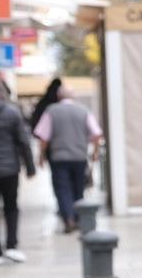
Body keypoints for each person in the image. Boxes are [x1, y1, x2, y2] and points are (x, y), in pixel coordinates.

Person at [33, 85, 103, 233]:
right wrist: (95, 153)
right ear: (73, 97)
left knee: (62, 189)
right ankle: (77, 217)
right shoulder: (83, 111)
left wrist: (41, 156)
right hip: (79, 157)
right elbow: (96, 134)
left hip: (59, 158)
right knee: (78, 189)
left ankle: (68, 218)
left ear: (59, 97)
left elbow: (43, 137)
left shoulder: (51, 111)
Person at [0, 80, 36, 265]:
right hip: (9, 169)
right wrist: (30, 167)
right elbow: (23, 141)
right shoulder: (11, 112)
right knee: (11, 207)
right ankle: (12, 246)